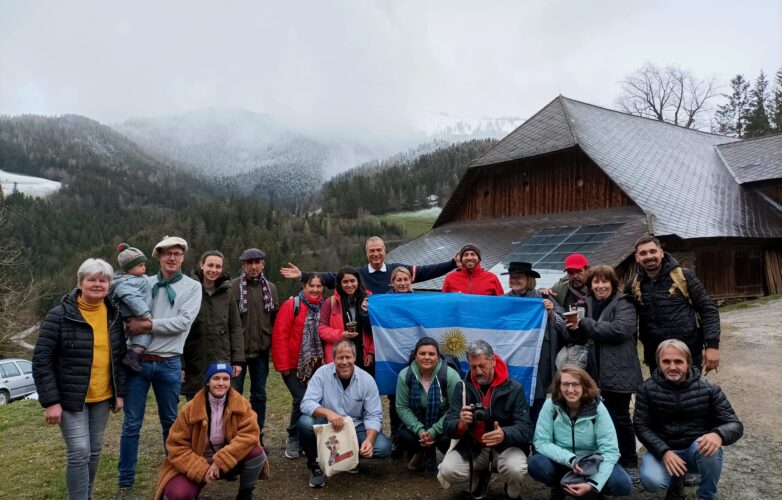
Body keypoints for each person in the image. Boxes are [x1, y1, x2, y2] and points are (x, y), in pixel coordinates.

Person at [33, 258, 127, 500]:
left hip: (102, 396)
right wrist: (51, 401)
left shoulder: (114, 315)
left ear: (109, 284)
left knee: (94, 452)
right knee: (79, 451)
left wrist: (119, 392)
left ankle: (86, 495)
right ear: (80, 283)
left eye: (103, 280)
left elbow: (118, 356)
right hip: (70, 399)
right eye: (92, 279)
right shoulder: (59, 315)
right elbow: (42, 360)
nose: (98, 284)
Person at [118, 236, 203, 499]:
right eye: (167, 253)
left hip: (168, 363)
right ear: (157, 256)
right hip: (138, 362)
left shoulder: (192, 287)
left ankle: (176, 472)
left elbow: (183, 322)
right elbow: (124, 310)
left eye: (177, 254)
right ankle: (125, 483)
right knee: (132, 424)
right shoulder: (143, 282)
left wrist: (147, 326)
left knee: (171, 422)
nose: (172, 258)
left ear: (183, 257)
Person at [634, 340, 743, 500]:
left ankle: (707, 495)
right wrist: (664, 452)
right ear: (658, 363)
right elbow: (640, 426)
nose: (672, 367)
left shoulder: (709, 388)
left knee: (709, 448)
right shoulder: (646, 389)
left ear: (688, 363)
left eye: (678, 361)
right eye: (666, 361)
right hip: (663, 451)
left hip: (695, 450)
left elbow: (735, 424)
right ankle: (675, 482)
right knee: (652, 481)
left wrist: (718, 435)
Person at [564, 265, 642, 481]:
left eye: (604, 281)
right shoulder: (586, 303)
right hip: (594, 371)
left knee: (620, 417)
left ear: (613, 283)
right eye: (595, 282)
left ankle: (629, 461)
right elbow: (580, 337)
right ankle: (607, 458)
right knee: (598, 417)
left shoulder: (624, 303)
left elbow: (620, 330)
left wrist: (585, 323)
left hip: (619, 369)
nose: (600, 286)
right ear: (590, 286)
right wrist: (574, 329)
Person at [154, 362, 268, 500]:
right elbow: (176, 446)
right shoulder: (189, 410)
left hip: (227, 461)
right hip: (196, 462)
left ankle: (245, 494)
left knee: (256, 452)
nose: (221, 383)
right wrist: (201, 469)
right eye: (216, 378)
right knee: (177, 494)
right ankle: (192, 489)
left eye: (225, 379)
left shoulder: (242, 405)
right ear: (208, 382)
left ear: (230, 382)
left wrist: (220, 462)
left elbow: (250, 435)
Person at [439, 340, 532, 500]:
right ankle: (479, 472)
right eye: (473, 366)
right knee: (447, 470)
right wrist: (460, 424)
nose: (478, 371)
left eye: (482, 365)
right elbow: (448, 424)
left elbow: (526, 428)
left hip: (504, 448)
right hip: (474, 448)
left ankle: (512, 489)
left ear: (493, 361)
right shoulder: (462, 388)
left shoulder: (514, 388)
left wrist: (505, 434)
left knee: (516, 469)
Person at [298, 340, 392, 488]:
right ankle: (315, 465)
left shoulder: (367, 380)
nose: (344, 362)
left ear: (354, 358)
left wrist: (369, 440)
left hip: (355, 427)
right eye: (340, 357)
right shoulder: (322, 373)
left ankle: (350, 460)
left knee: (382, 447)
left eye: (348, 357)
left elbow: (374, 415)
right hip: (327, 425)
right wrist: (329, 413)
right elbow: (306, 403)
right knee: (305, 423)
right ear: (333, 358)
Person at [530, 366, 633, 499]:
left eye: (576, 384)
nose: (570, 390)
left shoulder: (598, 409)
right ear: (558, 386)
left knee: (622, 484)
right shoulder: (550, 405)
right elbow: (541, 441)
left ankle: (593, 490)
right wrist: (571, 459)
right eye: (565, 384)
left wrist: (593, 484)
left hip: (592, 463)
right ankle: (560, 486)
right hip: (562, 460)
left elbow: (610, 451)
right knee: (536, 464)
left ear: (585, 386)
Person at [626, 235, 721, 374]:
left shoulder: (684, 276)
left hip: (687, 352)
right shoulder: (633, 285)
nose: (649, 256)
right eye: (643, 253)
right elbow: (628, 321)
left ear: (661, 253)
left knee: (692, 393)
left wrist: (712, 346)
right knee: (660, 394)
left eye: (653, 251)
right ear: (637, 257)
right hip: (656, 355)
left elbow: (708, 311)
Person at [280, 235, 458, 294]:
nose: (375, 254)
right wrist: (303, 275)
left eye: (378, 250)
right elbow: (331, 277)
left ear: (384, 251)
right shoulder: (359, 274)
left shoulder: (397, 272)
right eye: (372, 251)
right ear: (367, 253)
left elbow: (428, 271)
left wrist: (452, 263)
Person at [271, 273, 326, 460]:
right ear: (304, 287)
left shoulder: (325, 306)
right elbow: (280, 336)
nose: (315, 289)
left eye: (319, 286)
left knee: (311, 402)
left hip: (317, 365)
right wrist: (283, 365)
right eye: (312, 286)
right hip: (295, 365)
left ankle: (305, 438)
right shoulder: (292, 305)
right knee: (301, 399)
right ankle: (293, 437)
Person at [503, 261, 565, 424]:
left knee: (537, 399)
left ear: (529, 279)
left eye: (519, 277)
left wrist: (551, 313)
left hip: (539, 358)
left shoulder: (543, 298)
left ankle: (537, 439)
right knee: (512, 396)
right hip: (513, 357)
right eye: (512, 277)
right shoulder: (503, 301)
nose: (514, 280)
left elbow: (564, 325)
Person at [182, 251, 245, 400]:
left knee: (222, 402)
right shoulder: (189, 290)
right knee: (196, 403)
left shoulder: (227, 293)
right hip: (195, 358)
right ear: (202, 265)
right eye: (210, 265)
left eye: (218, 266)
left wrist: (237, 360)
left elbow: (235, 327)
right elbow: (181, 329)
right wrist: (181, 365)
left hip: (221, 356)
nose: (214, 270)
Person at [231, 248, 279, 443]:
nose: (253, 266)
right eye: (249, 263)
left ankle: (257, 436)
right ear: (243, 266)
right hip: (238, 353)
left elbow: (275, 319)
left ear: (262, 264)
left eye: (257, 262)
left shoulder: (271, 288)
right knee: (235, 396)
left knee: (259, 395)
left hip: (261, 351)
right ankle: (235, 437)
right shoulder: (232, 287)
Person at [395, 337, 461, 473]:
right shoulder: (404, 375)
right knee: (403, 435)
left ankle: (451, 461)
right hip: (419, 423)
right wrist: (420, 431)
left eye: (431, 354)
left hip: (443, 424)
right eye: (422, 353)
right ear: (415, 355)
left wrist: (434, 431)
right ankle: (420, 453)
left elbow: (455, 408)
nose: (427, 357)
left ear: (438, 356)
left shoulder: (450, 375)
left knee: (447, 437)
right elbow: (402, 407)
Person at [318, 266, 374, 372]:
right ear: (340, 283)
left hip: (363, 354)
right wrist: (341, 335)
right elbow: (322, 329)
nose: (349, 285)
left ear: (358, 282)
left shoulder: (369, 301)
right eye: (345, 282)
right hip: (339, 356)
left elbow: (375, 329)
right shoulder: (330, 302)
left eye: (352, 281)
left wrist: (371, 352)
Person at [111, 243, 153, 371]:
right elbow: (131, 297)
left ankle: (130, 355)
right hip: (133, 315)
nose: (144, 267)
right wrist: (145, 314)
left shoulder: (137, 279)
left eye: (144, 265)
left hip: (134, 314)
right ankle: (132, 356)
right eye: (140, 265)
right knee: (146, 333)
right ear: (128, 268)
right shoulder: (126, 283)